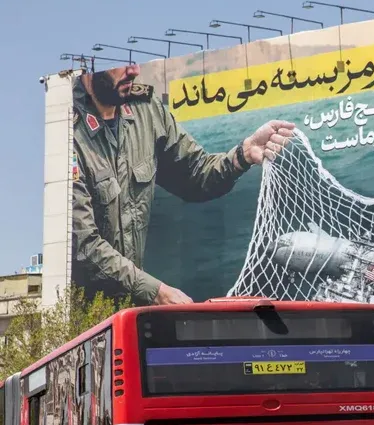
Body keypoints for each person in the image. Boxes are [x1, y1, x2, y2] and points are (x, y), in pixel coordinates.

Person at [71, 63, 296, 305]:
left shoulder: (146, 110)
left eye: (135, 62)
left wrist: (242, 155)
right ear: (90, 66)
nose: (134, 71)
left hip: (132, 307)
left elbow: (195, 174)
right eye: (122, 64)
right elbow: (85, 246)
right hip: (82, 318)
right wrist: (157, 291)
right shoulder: (66, 130)